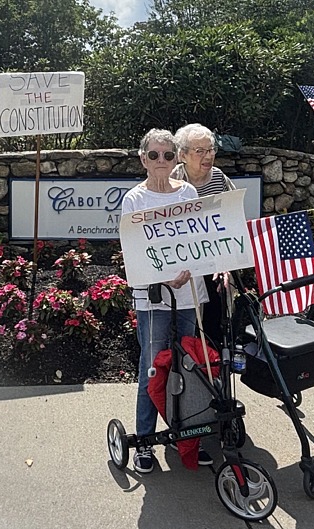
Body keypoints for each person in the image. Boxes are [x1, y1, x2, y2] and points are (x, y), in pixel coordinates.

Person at [121, 128, 211, 474]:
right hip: (153, 298)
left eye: (168, 155)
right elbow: (133, 251)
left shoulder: (188, 192)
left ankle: (185, 435)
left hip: (189, 294)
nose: (161, 160)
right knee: (152, 366)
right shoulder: (134, 200)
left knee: (188, 365)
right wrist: (162, 277)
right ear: (143, 159)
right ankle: (145, 440)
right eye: (154, 155)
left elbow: (200, 239)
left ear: (176, 160)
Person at [171, 123, 236, 347]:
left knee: (215, 323)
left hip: (214, 262)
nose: (208, 156)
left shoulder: (219, 178)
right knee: (185, 329)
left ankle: (214, 360)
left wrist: (227, 265)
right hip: (183, 265)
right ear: (182, 155)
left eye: (211, 150)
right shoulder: (172, 180)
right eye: (200, 151)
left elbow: (232, 220)